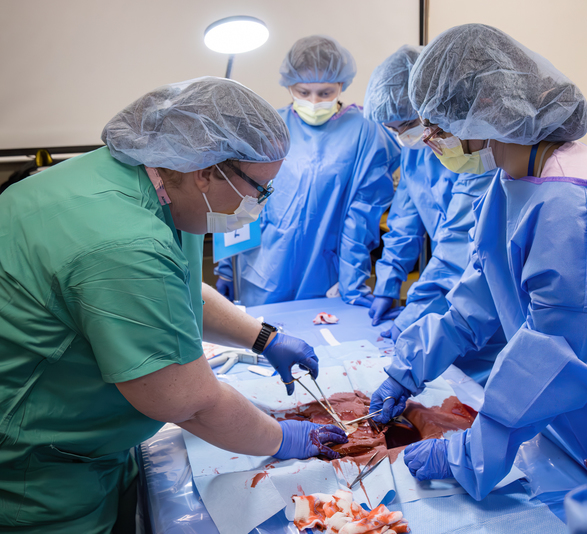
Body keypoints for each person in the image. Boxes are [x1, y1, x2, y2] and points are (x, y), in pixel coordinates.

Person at [0, 77, 347, 533]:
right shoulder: (119, 240)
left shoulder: (150, 183)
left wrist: (264, 338)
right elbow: (190, 402)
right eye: (258, 189)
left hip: (85, 446)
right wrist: (281, 438)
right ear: (207, 170)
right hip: (37, 476)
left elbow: (173, 293)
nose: (260, 205)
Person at [367, 24, 587, 501]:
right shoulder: (516, 178)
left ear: (486, 113)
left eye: (440, 128)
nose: (433, 143)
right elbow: (478, 298)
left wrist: (466, 454)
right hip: (571, 416)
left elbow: (549, 357)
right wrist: (408, 366)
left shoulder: (572, 206)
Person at [216, 35, 400, 307]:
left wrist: (352, 283)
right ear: (289, 85)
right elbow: (238, 200)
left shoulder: (365, 132)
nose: (314, 101)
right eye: (303, 92)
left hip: (325, 274)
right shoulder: (267, 128)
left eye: (325, 93)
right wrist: (226, 267)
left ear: (342, 84)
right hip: (262, 269)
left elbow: (361, 217)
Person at [362, 45, 496, 354]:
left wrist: (414, 313)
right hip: (447, 283)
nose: (404, 137)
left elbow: (459, 246)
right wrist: (387, 285)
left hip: (485, 287)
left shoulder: (474, 153)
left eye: (408, 125)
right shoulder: (415, 156)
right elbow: (403, 226)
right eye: (393, 129)